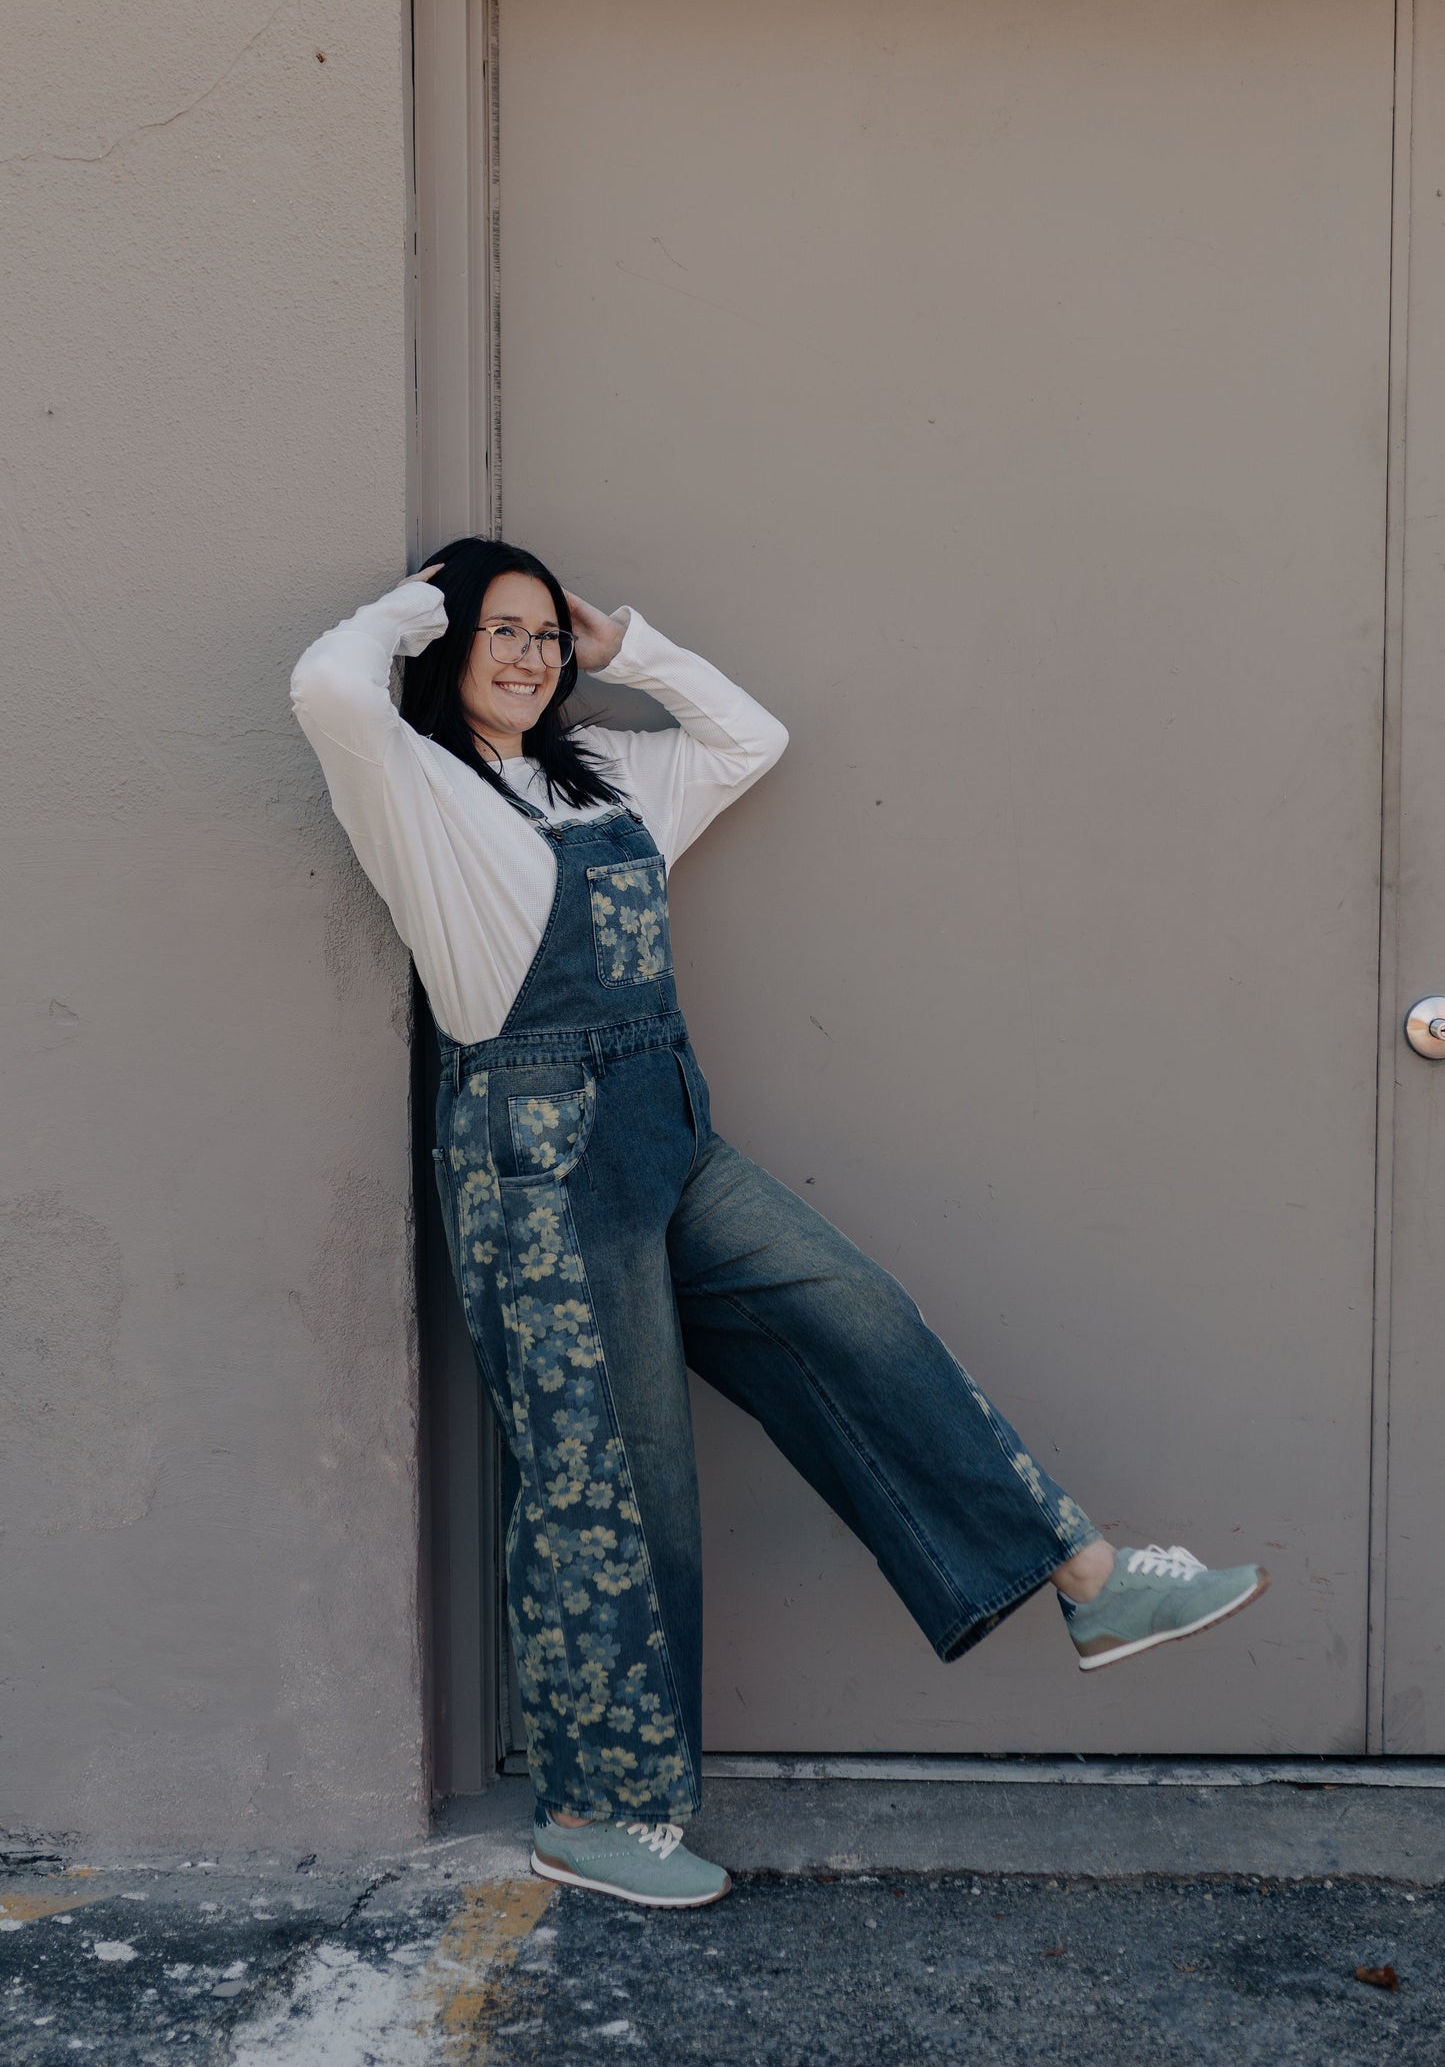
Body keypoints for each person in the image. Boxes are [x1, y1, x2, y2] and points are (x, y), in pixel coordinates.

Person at [290, 537, 1270, 1911]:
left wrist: (626, 647)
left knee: (852, 1314)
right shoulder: (409, 785)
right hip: (535, 1167)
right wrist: (420, 600)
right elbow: (328, 686)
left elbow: (749, 738)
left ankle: (1091, 1580)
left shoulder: (604, 773)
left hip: (665, 1128)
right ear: (446, 642)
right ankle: (602, 1811)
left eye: (544, 636)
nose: (530, 658)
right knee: (607, 1483)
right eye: (499, 631)